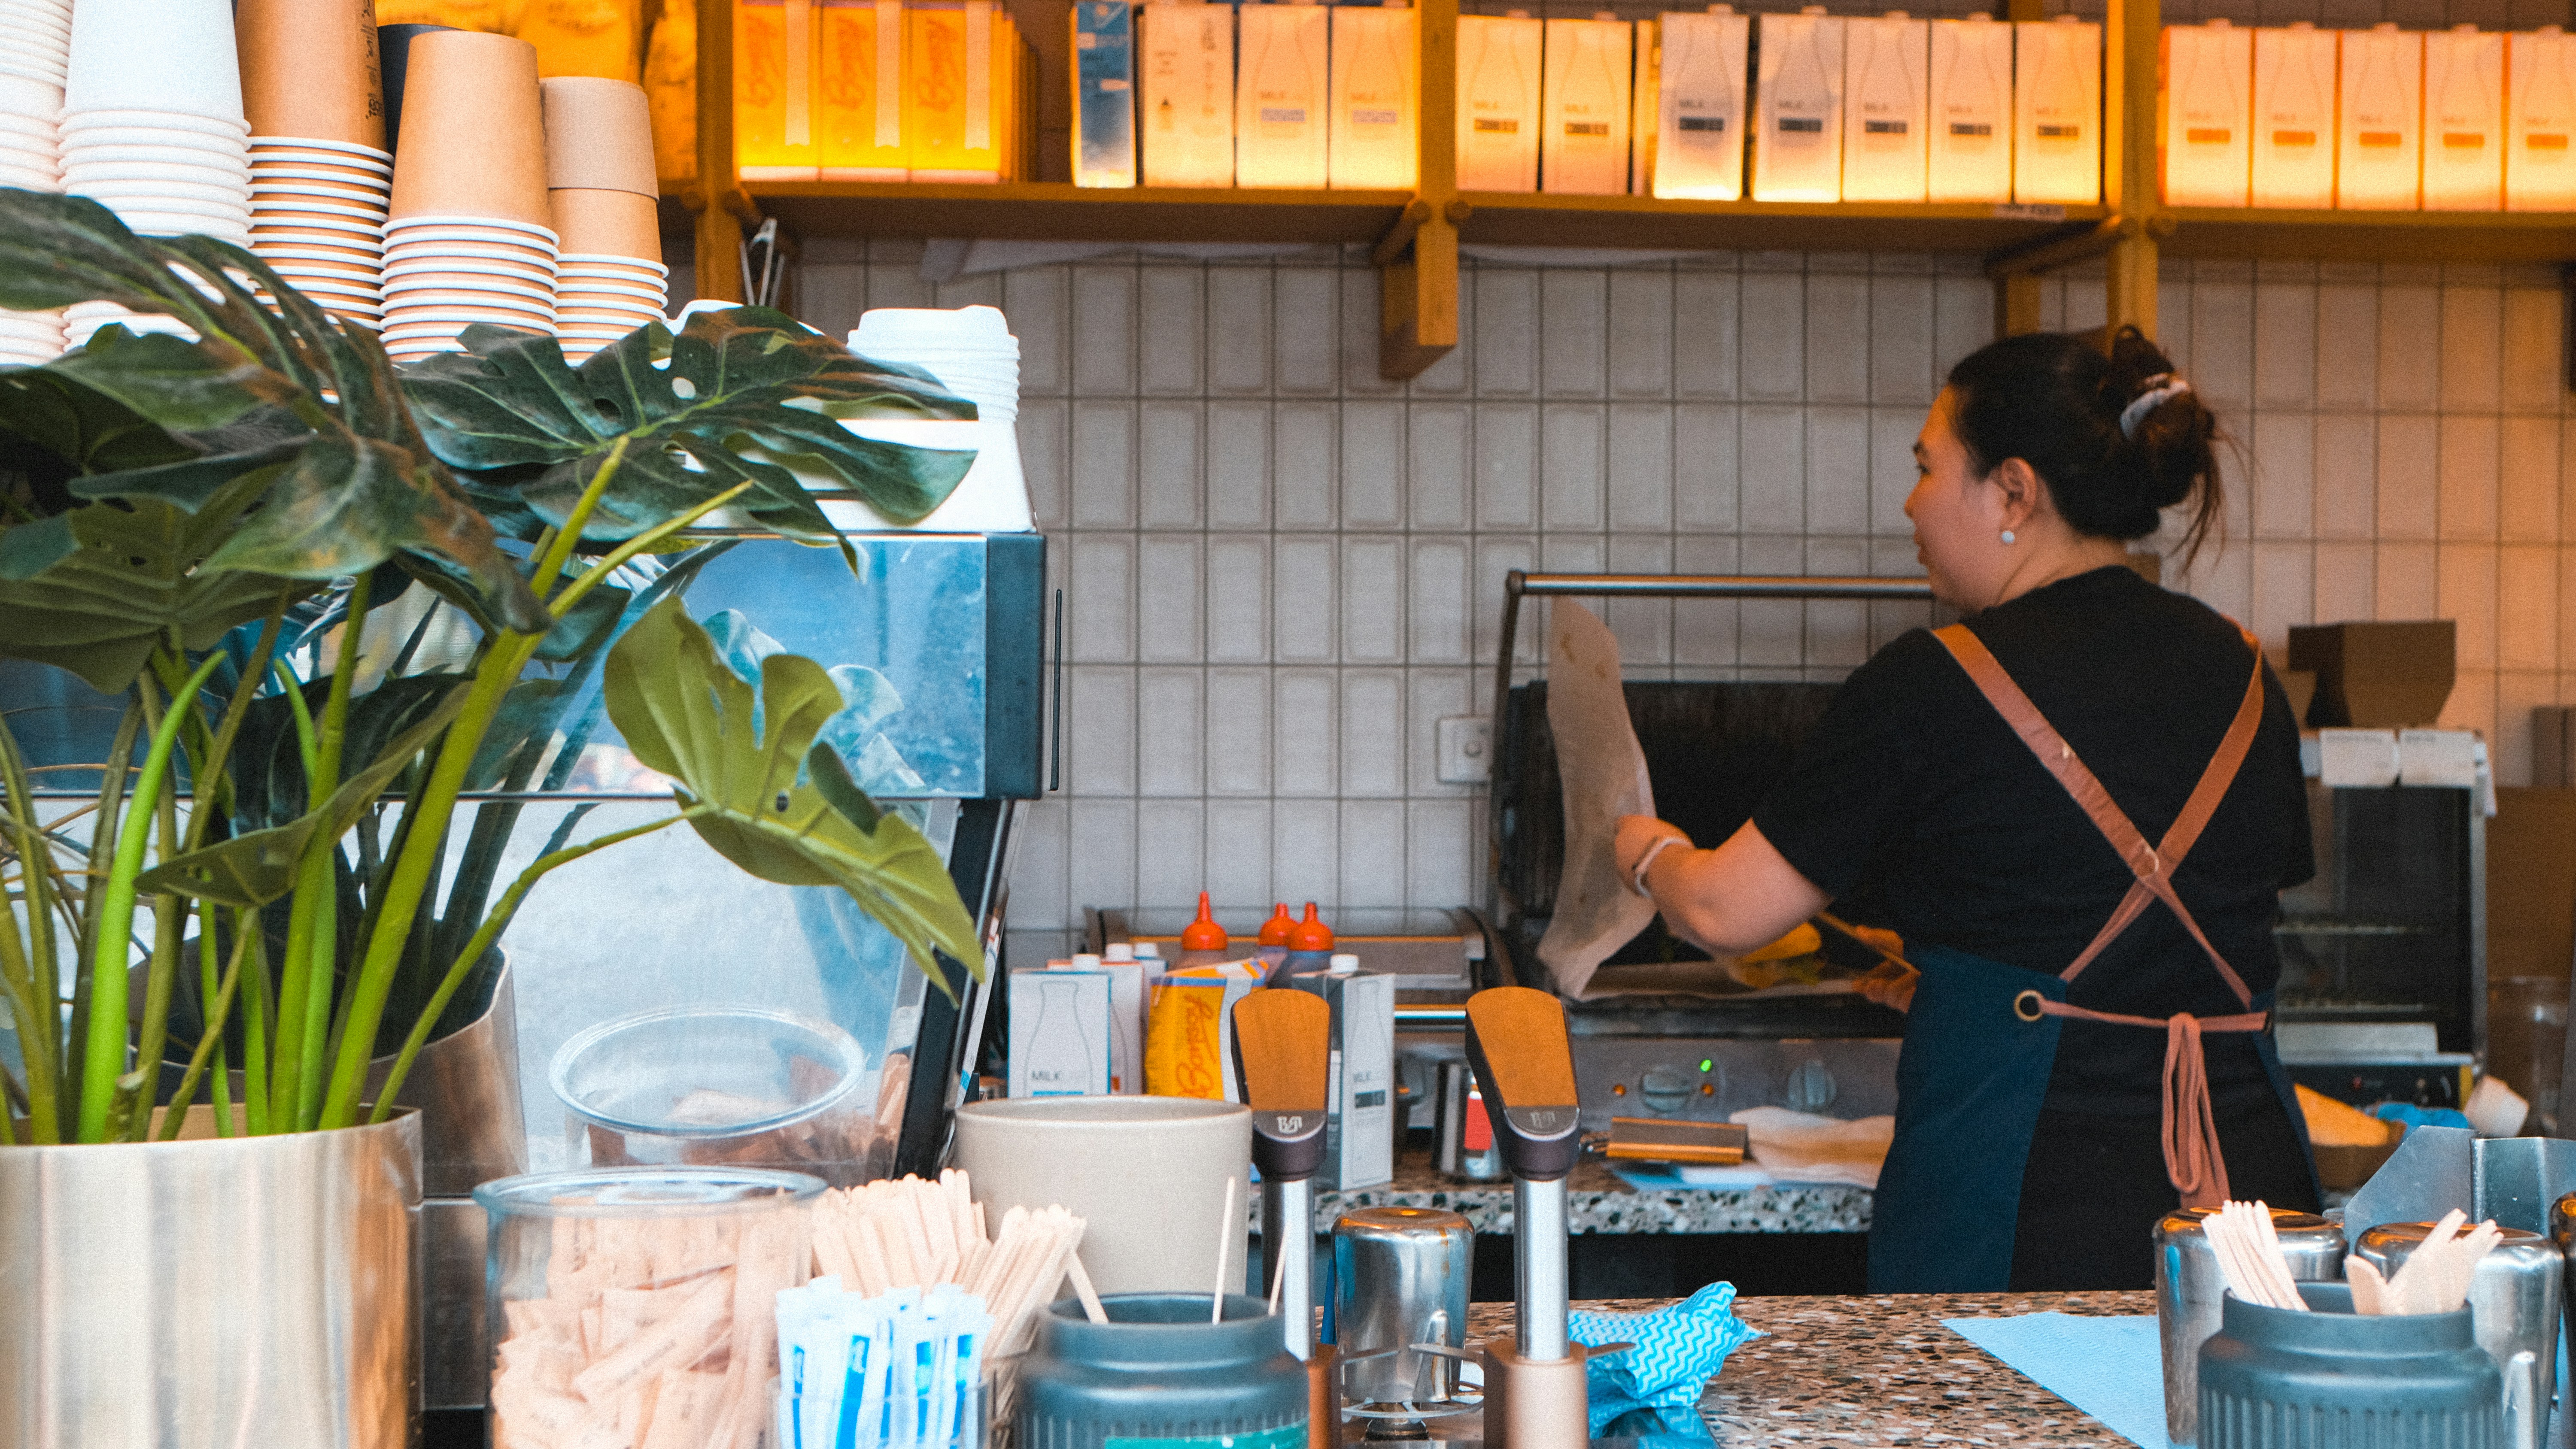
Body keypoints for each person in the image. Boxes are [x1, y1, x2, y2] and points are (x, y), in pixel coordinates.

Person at [1614, 326, 2320, 1293]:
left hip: (2029, 1209)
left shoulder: (1932, 682)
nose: (1910, 501)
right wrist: (1961, 973)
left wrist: (1642, 847)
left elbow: (1722, 911)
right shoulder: (2246, 669)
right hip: (2247, 1210)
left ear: (2015, 492)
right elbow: (2196, 921)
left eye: (1927, 466)